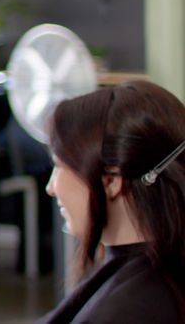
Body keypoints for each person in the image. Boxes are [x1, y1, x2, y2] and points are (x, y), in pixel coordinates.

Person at [38, 80, 185, 323]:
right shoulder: (161, 280)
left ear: (111, 181)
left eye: (60, 165)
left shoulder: (130, 309)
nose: (51, 187)